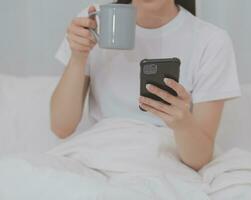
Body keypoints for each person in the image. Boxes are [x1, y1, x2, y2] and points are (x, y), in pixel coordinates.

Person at [51, 0, 241, 171]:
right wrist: (78, 56)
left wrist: (183, 124)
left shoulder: (211, 41)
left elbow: (199, 159)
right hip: (97, 155)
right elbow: (61, 127)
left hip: (162, 162)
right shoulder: (94, 23)